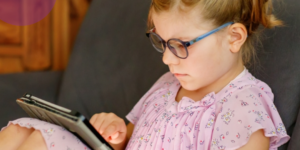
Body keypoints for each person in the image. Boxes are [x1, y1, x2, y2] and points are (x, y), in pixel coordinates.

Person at [0, 0, 291, 149]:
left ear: (234, 37)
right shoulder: (169, 84)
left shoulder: (246, 108)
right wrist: (113, 133)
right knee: (22, 132)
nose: (166, 58)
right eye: (162, 43)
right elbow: (129, 138)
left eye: (179, 45)